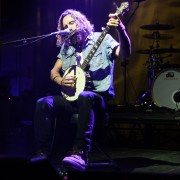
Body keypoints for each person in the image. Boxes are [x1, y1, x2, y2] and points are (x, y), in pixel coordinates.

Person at [33, 8, 131, 171]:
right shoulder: (67, 47)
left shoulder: (103, 39)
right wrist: (61, 80)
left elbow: (125, 53)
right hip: (72, 99)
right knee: (44, 103)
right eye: (66, 25)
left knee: (86, 96)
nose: (70, 27)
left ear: (82, 22)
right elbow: (53, 72)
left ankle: (79, 152)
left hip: (96, 99)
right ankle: (42, 153)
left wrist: (121, 29)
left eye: (72, 22)